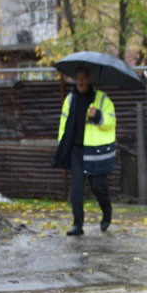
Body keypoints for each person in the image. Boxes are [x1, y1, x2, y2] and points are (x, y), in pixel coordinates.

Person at [53, 67, 116, 236]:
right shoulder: (70, 99)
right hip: (76, 149)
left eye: (83, 78)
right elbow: (63, 123)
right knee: (77, 189)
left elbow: (111, 122)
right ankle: (77, 224)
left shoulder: (102, 99)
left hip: (96, 150)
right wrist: (62, 144)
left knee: (98, 187)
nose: (80, 82)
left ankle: (107, 212)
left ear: (89, 79)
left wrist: (98, 116)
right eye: (77, 78)